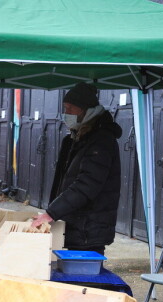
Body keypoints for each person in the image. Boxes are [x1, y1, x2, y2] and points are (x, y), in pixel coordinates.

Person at [31, 82, 122, 255]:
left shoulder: (101, 141)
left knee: (84, 280)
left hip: (88, 230)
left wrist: (51, 213)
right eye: (65, 109)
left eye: (71, 109)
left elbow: (86, 185)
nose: (66, 114)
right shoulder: (77, 138)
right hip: (74, 226)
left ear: (85, 110)